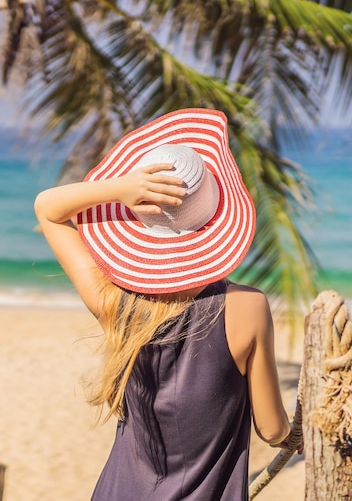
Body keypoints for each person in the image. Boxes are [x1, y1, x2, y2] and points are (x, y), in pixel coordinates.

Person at [34, 108, 303, 501]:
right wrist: (298, 433)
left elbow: (49, 208)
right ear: (217, 213)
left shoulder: (115, 304)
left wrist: (119, 189)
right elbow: (272, 429)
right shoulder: (247, 308)